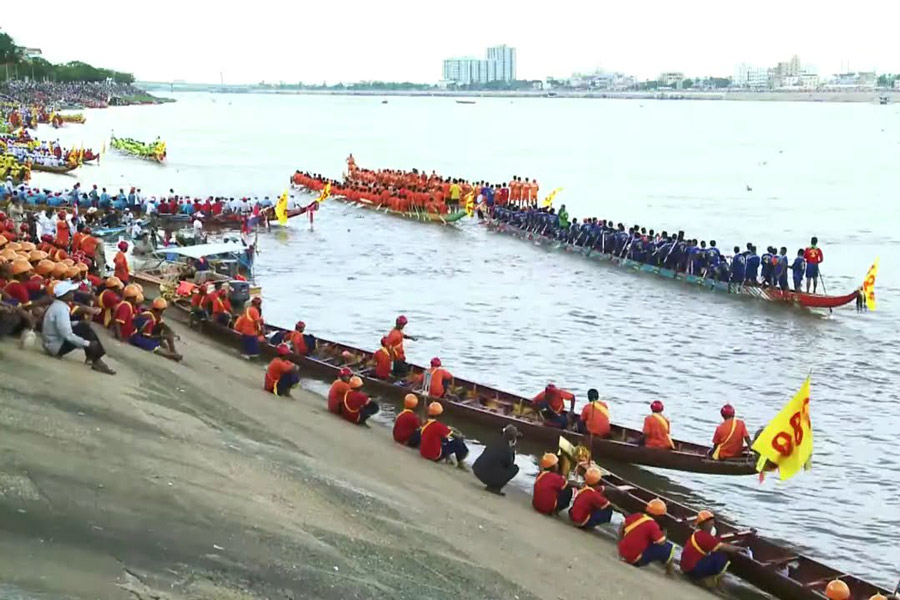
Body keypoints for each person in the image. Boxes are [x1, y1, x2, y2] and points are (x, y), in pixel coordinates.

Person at [42, 281, 115, 374]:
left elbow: (62, 326)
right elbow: (67, 335)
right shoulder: (61, 309)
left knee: (83, 326)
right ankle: (96, 359)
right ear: (65, 295)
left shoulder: (58, 306)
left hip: (51, 344)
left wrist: (77, 324)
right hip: (55, 347)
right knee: (84, 328)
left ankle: (93, 358)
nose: (73, 294)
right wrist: (87, 343)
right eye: (71, 292)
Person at [680, 510, 743, 587]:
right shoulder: (705, 537)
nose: (712, 523)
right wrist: (741, 549)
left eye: (712, 521)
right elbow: (727, 548)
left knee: (716, 552)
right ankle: (715, 583)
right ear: (703, 524)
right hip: (692, 570)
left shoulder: (698, 533)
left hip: (685, 567)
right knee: (722, 557)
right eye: (709, 521)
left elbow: (715, 543)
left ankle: (704, 577)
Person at [617, 498, 675, 573]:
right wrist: (664, 532)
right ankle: (670, 572)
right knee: (668, 548)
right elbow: (662, 543)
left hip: (622, 552)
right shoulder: (653, 525)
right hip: (634, 559)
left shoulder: (637, 515)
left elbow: (622, 525)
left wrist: (620, 541)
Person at [472, 425, 520, 496]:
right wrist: (512, 449)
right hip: (487, 475)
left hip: (477, 469)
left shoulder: (495, 440)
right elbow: (509, 464)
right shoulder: (507, 449)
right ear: (513, 439)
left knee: (497, 464)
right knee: (515, 468)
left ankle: (492, 483)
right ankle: (494, 487)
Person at [419, 402, 468, 466]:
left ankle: (448, 458)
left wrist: (447, 429)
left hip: (423, 453)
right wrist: (460, 435)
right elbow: (457, 437)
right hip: (434, 456)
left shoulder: (425, 423)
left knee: (444, 438)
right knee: (458, 443)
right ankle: (460, 462)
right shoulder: (439, 426)